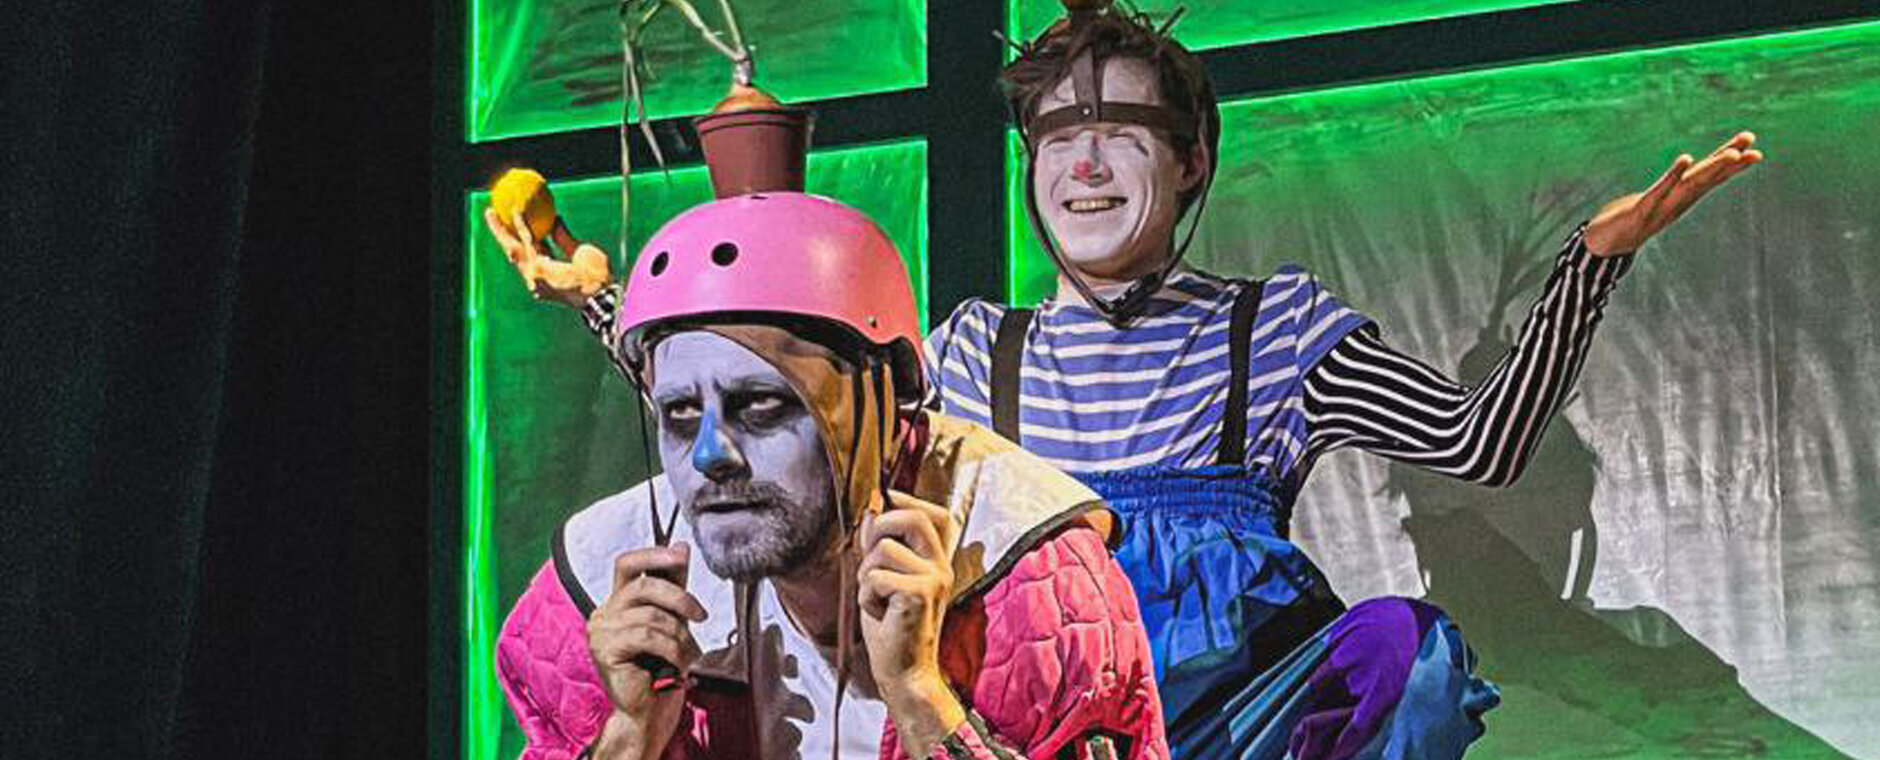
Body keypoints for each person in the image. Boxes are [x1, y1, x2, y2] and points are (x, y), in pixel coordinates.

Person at [488, 5, 1761, 757]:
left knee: (1403, 651)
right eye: (1057, 137)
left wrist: (1590, 264)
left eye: (1119, 133)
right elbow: (784, 403)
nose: (1084, 167)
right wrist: (600, 293)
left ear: (1191, 159)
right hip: (1046, 723)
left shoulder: (1271, 334)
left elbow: (1479, 443)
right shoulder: (975, 350)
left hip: (1224, 725)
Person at [494, 190, 1169, 759]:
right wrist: (629, 735)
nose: (708, 455)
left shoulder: (1031, 591)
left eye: (761, 405)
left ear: (888, 407)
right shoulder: (593, 599)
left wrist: (922, 700)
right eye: (680, 413)